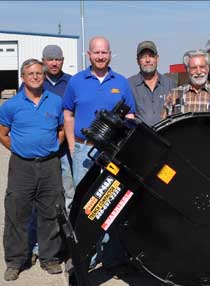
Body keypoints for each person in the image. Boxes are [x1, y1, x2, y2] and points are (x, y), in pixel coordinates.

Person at [63, 36, 135, 269]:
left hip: (113, 152)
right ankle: (86, 255)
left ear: (110, 54)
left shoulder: (121, 83)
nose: (101, 56)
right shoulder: (76, 81)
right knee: (86, 203)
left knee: (112, 201)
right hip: (85, 150)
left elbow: (130, 117)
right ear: (89, 54)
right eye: (96, 52)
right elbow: (68, 114)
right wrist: (73, 146)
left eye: (104, 52)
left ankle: (111, 255)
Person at [0, 58, 64, 281]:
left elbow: (62, 129)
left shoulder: (55, 102)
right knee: (16, 213)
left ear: (44, 76)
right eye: (30, 73)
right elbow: (1, 134)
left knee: (51, 212)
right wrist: (19, 149)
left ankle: (49, 258)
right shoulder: (11, 105)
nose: (35, 76)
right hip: (21, 166)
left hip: (49, 165)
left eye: (39, 73)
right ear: (22, 78)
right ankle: (15, 261)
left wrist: (52, 146)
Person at [28, 45, 74, 265]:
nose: (54, 63)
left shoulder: (71, 82)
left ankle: (66, 243)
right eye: (50, 59)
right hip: (42, 156)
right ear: (44, 61)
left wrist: (60, 145)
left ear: (63, 61)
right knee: (40, 201)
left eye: (58, 59)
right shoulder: (35, 81)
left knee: (68, 197)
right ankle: (38, 244)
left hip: (64, 152)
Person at [163, 49, 210, 118]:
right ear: (187, 69)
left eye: (202, 67)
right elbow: (163, 127)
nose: (199, 72)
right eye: (194, 68)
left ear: (207, 68)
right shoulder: (173, 95)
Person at [128, 41, 176, 126]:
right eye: (143, 57)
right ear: (138, 61)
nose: (148, 60)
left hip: (165, 136)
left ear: (157, 58)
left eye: (151, 56)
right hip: (141, 137)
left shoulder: (170, 84)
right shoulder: (129, 85)